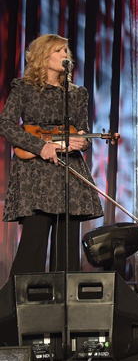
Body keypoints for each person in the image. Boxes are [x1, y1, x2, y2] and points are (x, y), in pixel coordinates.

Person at [0, 34, 104, 276]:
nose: (65, 54)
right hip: (35, 175)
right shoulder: (24, 88)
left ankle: (64, 306)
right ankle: (21, 307)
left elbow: (82, 132)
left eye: (66, 50)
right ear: (42, 56)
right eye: (58, 50)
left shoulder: (77, 94)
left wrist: (80, 142)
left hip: (67, 172)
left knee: (67, 250)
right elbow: (5, 124)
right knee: (32, 245)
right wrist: (40, 146)